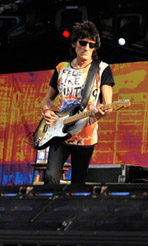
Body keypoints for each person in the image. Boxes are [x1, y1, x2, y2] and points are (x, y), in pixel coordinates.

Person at [41, 21, 114, 184]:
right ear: (74, 43)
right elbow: (48, 98)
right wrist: (47, 111)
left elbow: (108, 105)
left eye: (91, 44)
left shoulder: (102, 69)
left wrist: (102, 111)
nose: (86, 48)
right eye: (83, 42)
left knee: (78, 182)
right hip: (59, 130)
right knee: (51, 177)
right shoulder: (61, 68)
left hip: (85, 135)